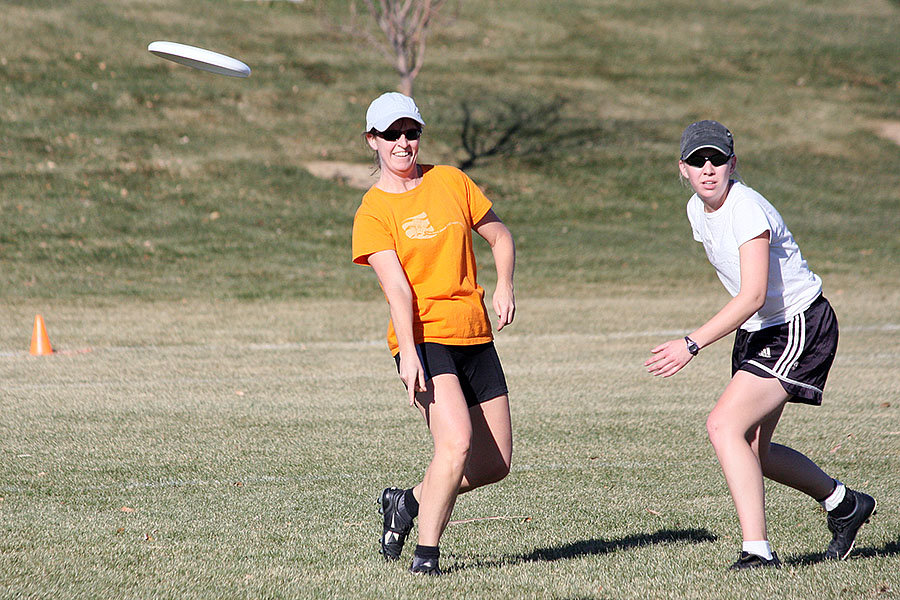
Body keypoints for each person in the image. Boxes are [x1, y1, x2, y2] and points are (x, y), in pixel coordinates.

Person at [645, 120, 877, 570]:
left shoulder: (747, 208)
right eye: (697, 160)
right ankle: (844, 504)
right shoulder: (697, 210)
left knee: (722, 426)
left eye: (716, 158)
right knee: (754, 450)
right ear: (683, 169)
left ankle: (757, 551)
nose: (707, 168)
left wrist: (691, 344)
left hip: (797, 325)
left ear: (733, 163)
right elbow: (747, 298)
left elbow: (752, 293)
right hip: (759, 329)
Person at [351, 92, 516, 576]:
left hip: (474, 331)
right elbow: (397, 290)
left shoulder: (450, 180)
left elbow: (500, 235)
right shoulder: (372, 212)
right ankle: (426, 557)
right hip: (424, 337)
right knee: (456, 443)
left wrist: (504, 284)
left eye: (411, 132)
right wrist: (407, 354)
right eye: (391, 134)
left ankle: (407, 501)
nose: (403, 143)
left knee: (495, 464)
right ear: (372, 141)